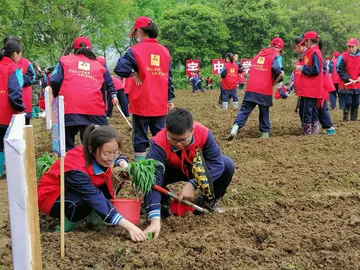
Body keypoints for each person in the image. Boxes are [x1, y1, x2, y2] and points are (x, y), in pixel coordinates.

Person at [37, 125, 147, 241]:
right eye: (106, 154)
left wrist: (123, 164)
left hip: (81, 190)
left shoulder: (105, 153)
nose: (110, 158)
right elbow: (93, 196)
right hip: (51, 198)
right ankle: (64, 229)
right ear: (91, 150)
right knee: (83, 201)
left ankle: (95, 219)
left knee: (116, 179)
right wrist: (128, 226)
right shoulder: (75, 167)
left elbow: (117, 156)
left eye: (114, 152)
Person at [143, 108, 234, 238]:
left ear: (192, 130)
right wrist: (154, 219)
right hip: (171, 170)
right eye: (173, 139)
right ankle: (162, 205)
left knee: (227, 165)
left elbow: (216, 164)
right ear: (166, 130)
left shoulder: (203, 133)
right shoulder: (159, 143)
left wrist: (193, 184)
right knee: (150, 176)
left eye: (183, 140)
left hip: (196, 168)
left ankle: (209, 201)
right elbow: (152, 179)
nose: (179, 144)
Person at [114, 16, 175, 161]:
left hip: (142, 102)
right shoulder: (165, 51)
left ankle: (142, 169)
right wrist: (170, 98)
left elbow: (119, 68)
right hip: (160, 102)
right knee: (160, 136)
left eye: (135, 33)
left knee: (140, 137)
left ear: (140, 31)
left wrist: (132, 73)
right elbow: (169, 78)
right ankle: (160, 166)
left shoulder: (135, 50)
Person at [50, 36, 118, 151]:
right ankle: (90, 162)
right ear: (90, 49)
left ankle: (70, 164)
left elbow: (54, 80)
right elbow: (109, 82)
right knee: (95, 142)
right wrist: (113, 94)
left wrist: (57, 95)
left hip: (69, 107)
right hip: (94, 109)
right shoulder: (100, 62)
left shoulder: (64, 60)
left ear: (74, 49)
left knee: (67, 143)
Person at [228, 38, 284, 140]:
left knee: (244, 110)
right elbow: (277, 70)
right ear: (279, 49)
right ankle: (265, 134)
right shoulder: (274, 56)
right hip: (264, 89)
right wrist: (278, 79)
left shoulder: (258, 55)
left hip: (251, 87)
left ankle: (234, 129)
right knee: (264, 111)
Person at [0, 41, 25, 178]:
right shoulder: (13, 68)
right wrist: (20, 108)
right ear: (15, 54)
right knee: (8, 144)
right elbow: (15, 92)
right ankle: (10, 172)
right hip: (6, 114)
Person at [3, 35, 35, 125]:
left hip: (22, 100)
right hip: (7, 102)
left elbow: (32, 77)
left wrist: (18, 79)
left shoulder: (26, 63)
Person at [337, 38, 360, 121]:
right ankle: (345, 120)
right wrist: (348, 79)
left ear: (356, 46)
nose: (350, 49)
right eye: (348, 47)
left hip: (357, 84)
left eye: (352, 47)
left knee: (356, 103)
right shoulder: (343, 56)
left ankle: (354, 120)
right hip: (347, 84)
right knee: (348, 102)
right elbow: (340, 70)